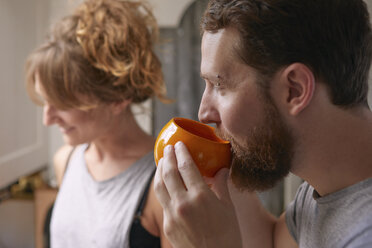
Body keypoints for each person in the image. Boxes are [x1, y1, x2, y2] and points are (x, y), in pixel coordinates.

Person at [154, 0, 372, 247]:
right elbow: (269, 242)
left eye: (220, 85)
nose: (203, 113)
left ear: (294, 89)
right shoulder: (329, 189)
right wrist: (218, 175)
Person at [25, 0, 172, 247]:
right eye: (45, 101)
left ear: (118, 98)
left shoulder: (164, 186)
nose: (47, 119)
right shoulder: (66, 161)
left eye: (63, 103)